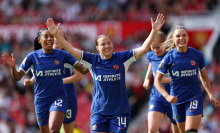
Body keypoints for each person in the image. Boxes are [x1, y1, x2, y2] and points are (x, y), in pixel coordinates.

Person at [46, 13, 165, 133]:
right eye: (103, 44)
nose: (107, 46)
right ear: (97, 48)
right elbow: (71, 50)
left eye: (109, 43)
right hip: (99, 113)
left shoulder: (122, 58)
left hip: (120, 113)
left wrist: (154, 31)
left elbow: (143, 49)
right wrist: (56, 35)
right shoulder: (92, 60)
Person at [2, 28, 85, 133]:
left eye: (55, 36)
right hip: (43, 98)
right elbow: (35, 74)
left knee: (58, 129)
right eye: (50, 36)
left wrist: (93, 62)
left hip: (63, 96)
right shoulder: (35, 56)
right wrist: (28, 78)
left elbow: (81, 73)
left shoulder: (66, 54)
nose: (53, 39)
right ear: (40, 40)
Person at [154, 25, 220, 133]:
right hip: (177, 100)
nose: (181, 38)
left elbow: (204, 76)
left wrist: (211, 95)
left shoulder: (197, 55)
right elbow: (157, 80)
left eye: (184, 35)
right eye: (178, 36)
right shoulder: (168, 57)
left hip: (194, 97)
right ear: (173, 40)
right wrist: (167, 96)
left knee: (191, 130)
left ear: (188, 38)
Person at [143, 30, 179, 133]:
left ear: (165, 44)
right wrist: (147, 78)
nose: (154, 50)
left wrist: (163, 80)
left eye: (157, 47)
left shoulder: (173, 56)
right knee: (152, 129)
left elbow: (179, 78)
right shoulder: (150, 55)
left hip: (174, 98)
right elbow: (151, 63)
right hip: (158, 98)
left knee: (177, 130)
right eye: (152, 47)